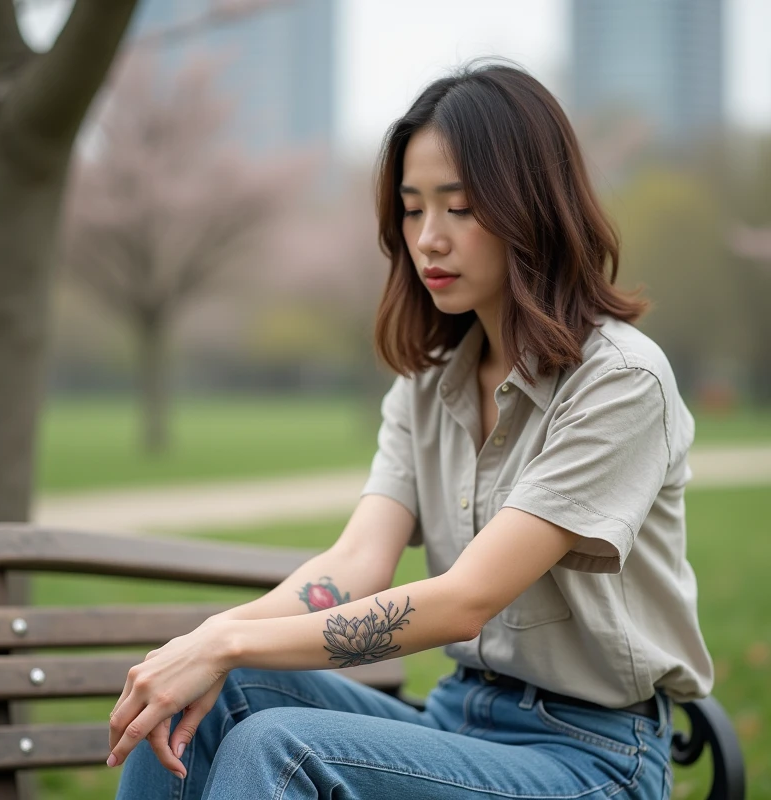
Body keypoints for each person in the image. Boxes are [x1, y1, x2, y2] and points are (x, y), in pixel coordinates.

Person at [110, 61, 713, 800]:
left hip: (592, 758)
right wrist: (204, 648)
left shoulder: (620, 381)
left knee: (281, 748)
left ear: (533, 208)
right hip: (459, 723)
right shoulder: (430, 383)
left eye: (460, 208)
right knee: (198, 707)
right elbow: (356, 563)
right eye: (412, 208)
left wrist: (226, 639)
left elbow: (464, 599)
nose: (428, 239)